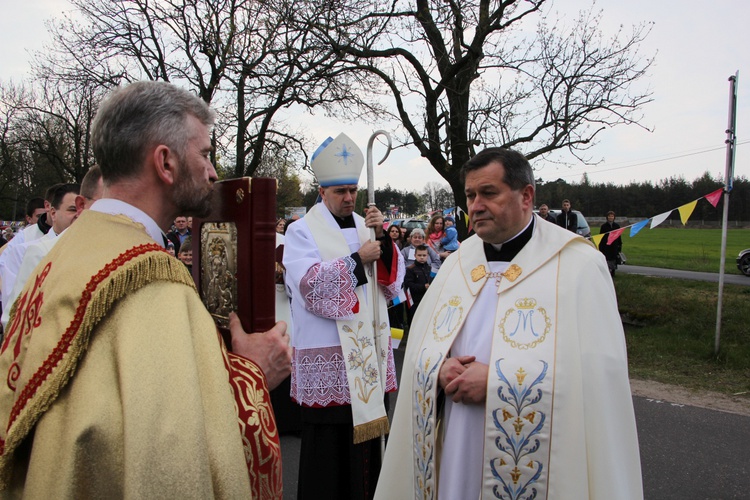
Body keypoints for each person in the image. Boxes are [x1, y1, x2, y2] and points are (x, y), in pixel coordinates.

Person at [0, 81, 292, 498]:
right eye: (206, 154)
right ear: (165, 162)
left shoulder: (66, 253)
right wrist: (254, 375)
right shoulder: (152, 281)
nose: (212, 173)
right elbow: (169, 460)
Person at [375, 147, 642, 499]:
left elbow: (598, 378)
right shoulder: (457, 265)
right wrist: (437, 370)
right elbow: (421, 351)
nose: (475, 205)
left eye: (488, 193)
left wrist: (499, 382)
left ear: (526, 195)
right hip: (457, 443)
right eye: (471, 195)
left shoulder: (577, 266)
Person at [283, 133, 404, 500]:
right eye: (340, 191)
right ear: (322, 191)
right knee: (329, 460)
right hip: (330, 359)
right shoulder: (301, 231)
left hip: (369, 354)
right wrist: (357, 261)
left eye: (352, 190)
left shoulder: (368, 226)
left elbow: (390, 283)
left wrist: (382, 239)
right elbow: (309, 287)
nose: (349, 198)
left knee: (369, 458)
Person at [402, 244, 433, 326]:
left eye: (424, 255)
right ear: (415, 255)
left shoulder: (430, 269)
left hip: (427, 300)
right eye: (419, 255)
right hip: (414, 301)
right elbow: (409, 285)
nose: (422, 257)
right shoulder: (410, 269)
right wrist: (423, 287)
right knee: (414, 322)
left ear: (427, 256)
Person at [600, 210, 623, 277]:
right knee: (607, 260)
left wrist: (619, 245)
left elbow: (619, 237)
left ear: (614, 217)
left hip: (614, 246)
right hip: (606, 246)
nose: (610, 217)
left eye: (612, 216)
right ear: (607, 217)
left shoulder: (617, 226)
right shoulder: (603, 226)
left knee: (613, 260)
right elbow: (601, 237)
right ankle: (606, 273)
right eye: (609, 216)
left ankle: (613, 273)